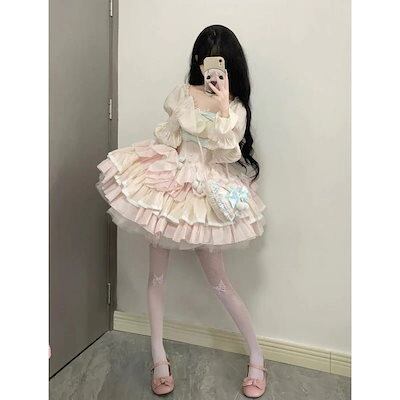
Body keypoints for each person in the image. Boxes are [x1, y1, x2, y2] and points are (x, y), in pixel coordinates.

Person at [96, 24, 268, 398]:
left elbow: (227, 152)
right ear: (198, 60)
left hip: (210, 193)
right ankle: (159, 358)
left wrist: (222, 107)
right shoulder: (182, 94)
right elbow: (169, 139)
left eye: (220, 64)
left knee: (220, 282)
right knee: (156, 277)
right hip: (171, 187)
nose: (211, 70)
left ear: (230, 66)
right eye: (205, 60)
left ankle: (257, 356)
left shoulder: (235, 107)